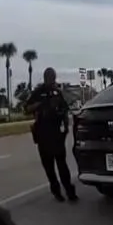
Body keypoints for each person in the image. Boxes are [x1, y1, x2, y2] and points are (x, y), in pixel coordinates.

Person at [25, 67, 78, 203]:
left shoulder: (57, 92)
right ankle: (56, 192)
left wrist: (66, 128)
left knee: (62, 166)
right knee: (49, 168)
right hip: (43, 134)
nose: (51, 80)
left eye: (53, 77)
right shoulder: (38, 92)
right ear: (45, 78)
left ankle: (69, 191)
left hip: (56, 134)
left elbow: (65, 111)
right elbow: (27, 108)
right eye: (49, 77)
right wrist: (39, 105)